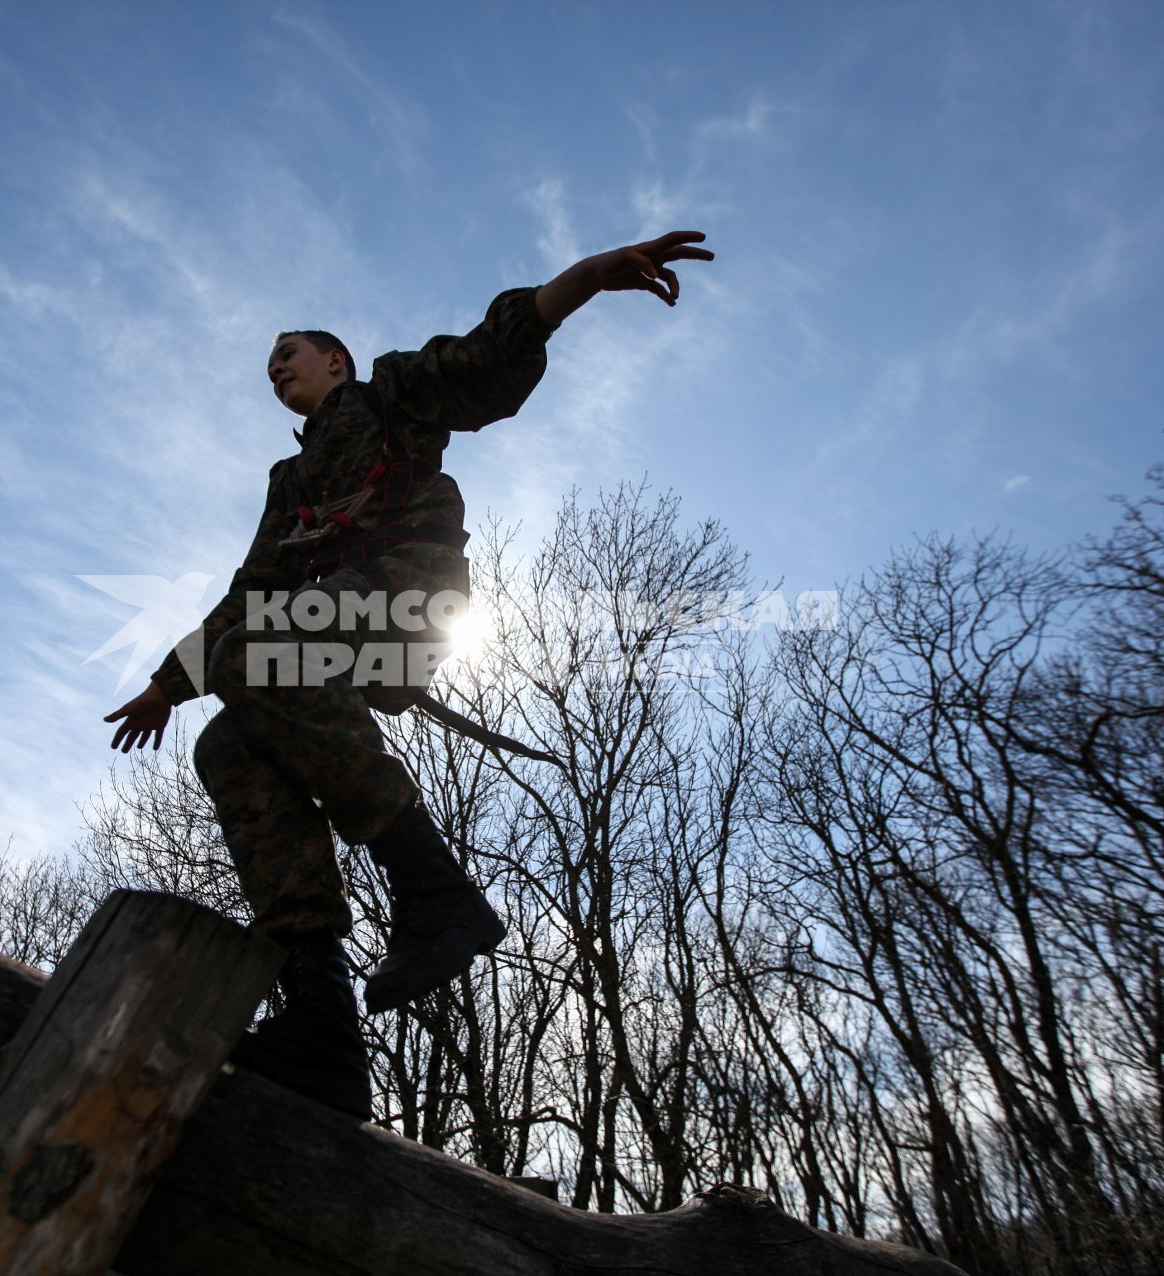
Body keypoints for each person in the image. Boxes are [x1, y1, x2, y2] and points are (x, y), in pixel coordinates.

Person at [105, 230, 714, 1119]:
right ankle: (323, 1026)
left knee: (255, 654)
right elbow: (251, 592)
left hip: (411, 598)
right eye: (268, 369)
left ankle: (438, 898)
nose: (277, 370)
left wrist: (584, 280)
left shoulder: (390, 392)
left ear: (336, 360)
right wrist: (167, 683)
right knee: (230, 744)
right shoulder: (290, 483)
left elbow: (485, 357)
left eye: (290, 355)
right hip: (339, 625)